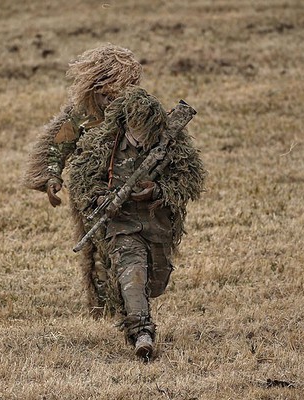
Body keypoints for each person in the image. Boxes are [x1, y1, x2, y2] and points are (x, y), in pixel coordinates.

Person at [24, 46, 205, 359]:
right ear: (93, 88)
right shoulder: (80, 115)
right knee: (109, 255)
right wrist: (52, 178)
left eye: (117, 92)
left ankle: (133, 297)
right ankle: (134, 321)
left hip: (149, 209)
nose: (110, 100)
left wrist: (158, 189)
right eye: (104, 93)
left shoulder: (144, 114)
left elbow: (181, 163)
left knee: (154, 269)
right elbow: (57, 148)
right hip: (96, 197)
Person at [67, 87, 205, 358]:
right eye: (135, 129)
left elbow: (190, 180)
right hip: (122, 226)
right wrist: (100, 200)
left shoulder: (170, 143)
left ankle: (140, 314)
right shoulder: (103, 144)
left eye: (145, 129)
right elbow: (82, 181)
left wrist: (156, 191)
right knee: (131, 275)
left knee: (155, 283)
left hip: (158, 226)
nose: (140, 137)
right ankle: (142, 333)